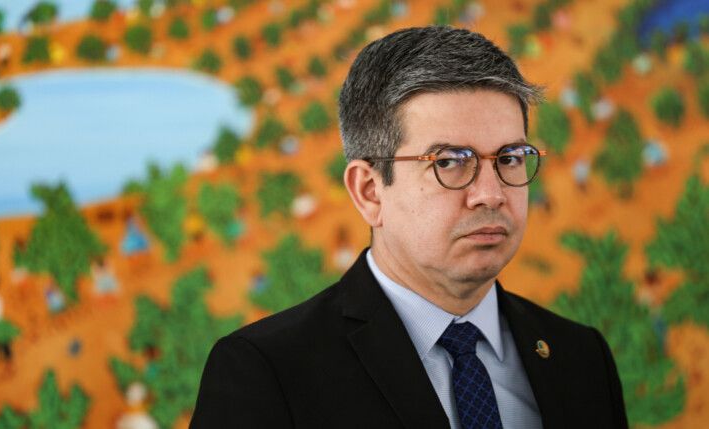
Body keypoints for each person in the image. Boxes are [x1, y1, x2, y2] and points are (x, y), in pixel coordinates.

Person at [190, 26, 627, 428]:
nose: (491, 194)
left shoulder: (581, 356)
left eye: (510, 158)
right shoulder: (266, 371)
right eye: (450, 162)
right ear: (369, 191)